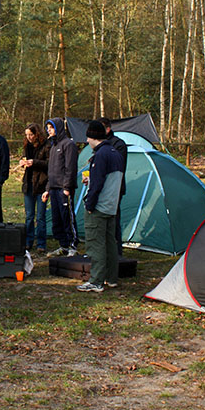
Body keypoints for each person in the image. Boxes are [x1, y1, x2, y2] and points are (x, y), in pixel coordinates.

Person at [77, 120, 126, 292]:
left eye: (88, 138)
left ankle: (96, 281)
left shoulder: (101, 155)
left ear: (92, 137)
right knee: (110, 244)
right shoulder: (115, 153)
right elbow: (109, 181)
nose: (87, 142)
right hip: (112, 207)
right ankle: (112, 278)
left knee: (95, 244)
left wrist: (89, 204)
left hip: (99, 208)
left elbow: (97, 184)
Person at [42, 117, 78, 257]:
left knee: (67, 217)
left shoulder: (68, 145)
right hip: (54, 188)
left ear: (58, 128)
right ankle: (63, 245)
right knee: (57, 219)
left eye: (51, 127)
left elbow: (70, 168)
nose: (48, 130)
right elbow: (51, 171)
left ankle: (72, 245)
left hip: (64, 189)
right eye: (47, 128)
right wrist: (47, 189)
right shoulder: (53, 146)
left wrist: (67, 187)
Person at [100, 117, 129, 255]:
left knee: (113, 220)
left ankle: (117, 252)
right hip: (101, 188)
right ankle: (104, 250)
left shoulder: (119, 145)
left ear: (107, 129)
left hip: (115, 188)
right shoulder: (99, 144)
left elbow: (117, 167)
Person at [20, 123, 50, 252]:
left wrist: (34, 162)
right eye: (27, 135)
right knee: (29, 215)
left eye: (31, 134)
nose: (29, 137)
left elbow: (49, 164)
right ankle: (28, 241)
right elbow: (23, 158)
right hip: (29, 184)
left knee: (41, 216)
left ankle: (41, 244)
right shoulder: (27, 146)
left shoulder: (47, 146)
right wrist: (22, 162)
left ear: (37, 134)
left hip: (41, 184)